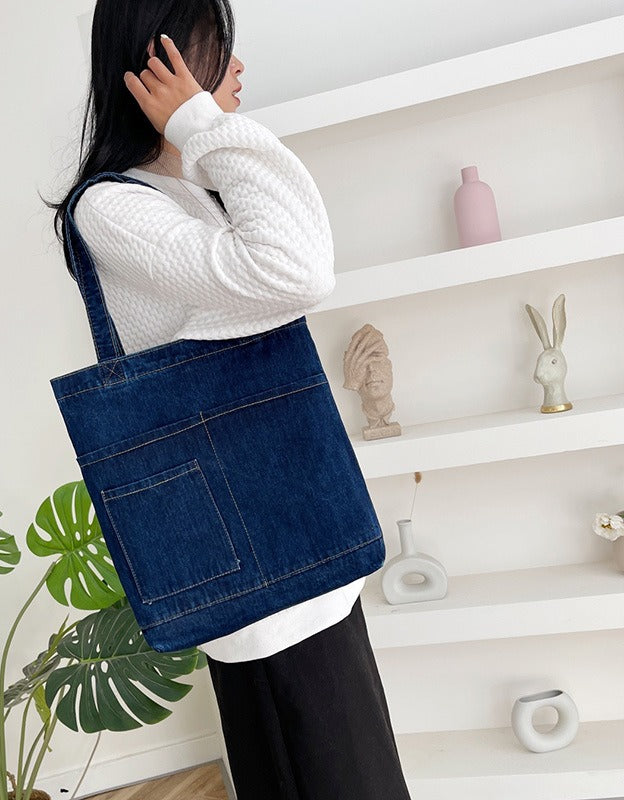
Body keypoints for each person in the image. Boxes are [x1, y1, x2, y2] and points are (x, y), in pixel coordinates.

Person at [47, 2, 412, 797]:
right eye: (218, 55)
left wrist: (204, 139)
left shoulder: (195, 193)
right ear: (161, 67)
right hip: (262, 573)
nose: (235, 74)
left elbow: (295, 263)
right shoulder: (113, 207)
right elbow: (298, 272)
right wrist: (205, 124)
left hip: (301, 548)